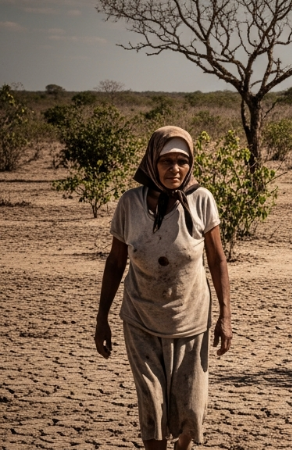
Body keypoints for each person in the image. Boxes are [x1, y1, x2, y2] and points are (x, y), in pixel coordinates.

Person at [93, 126, 232, 450]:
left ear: (191, 163)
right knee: (151, 405)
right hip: (142, 318)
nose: (175, 169)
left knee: (191, 407)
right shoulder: (131, 203)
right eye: (166, 161)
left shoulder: (202, 201)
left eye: (182, 161)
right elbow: (115, 263)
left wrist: (225, 316)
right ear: (151, 162)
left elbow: (218, 261)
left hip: (191, 320)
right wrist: (102, 318)